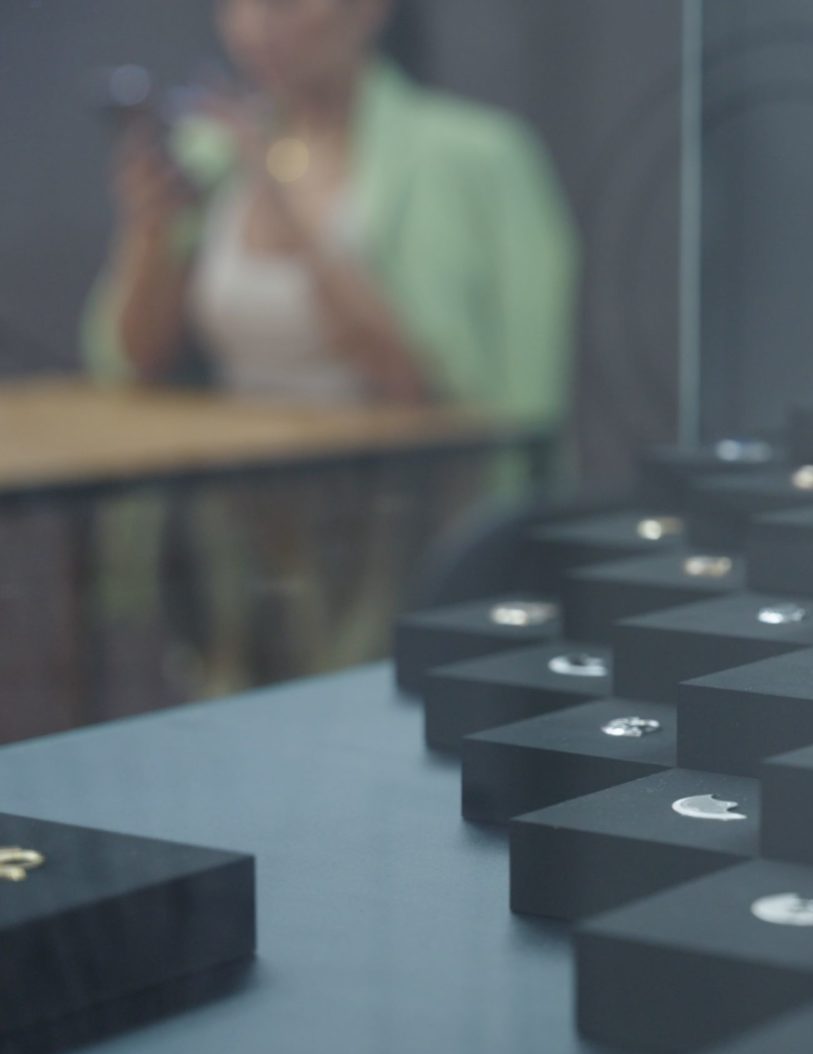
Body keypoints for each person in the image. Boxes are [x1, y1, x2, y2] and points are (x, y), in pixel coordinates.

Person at [80, 0, 577, 692]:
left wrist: (287, 204)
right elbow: (131, 361)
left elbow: (432, 386)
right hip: (236, 532)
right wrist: (148, 232)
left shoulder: (469, 156)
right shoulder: (210, 156)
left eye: (285, 3)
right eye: (234, 5)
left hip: (389, 524)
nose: (255, 27)